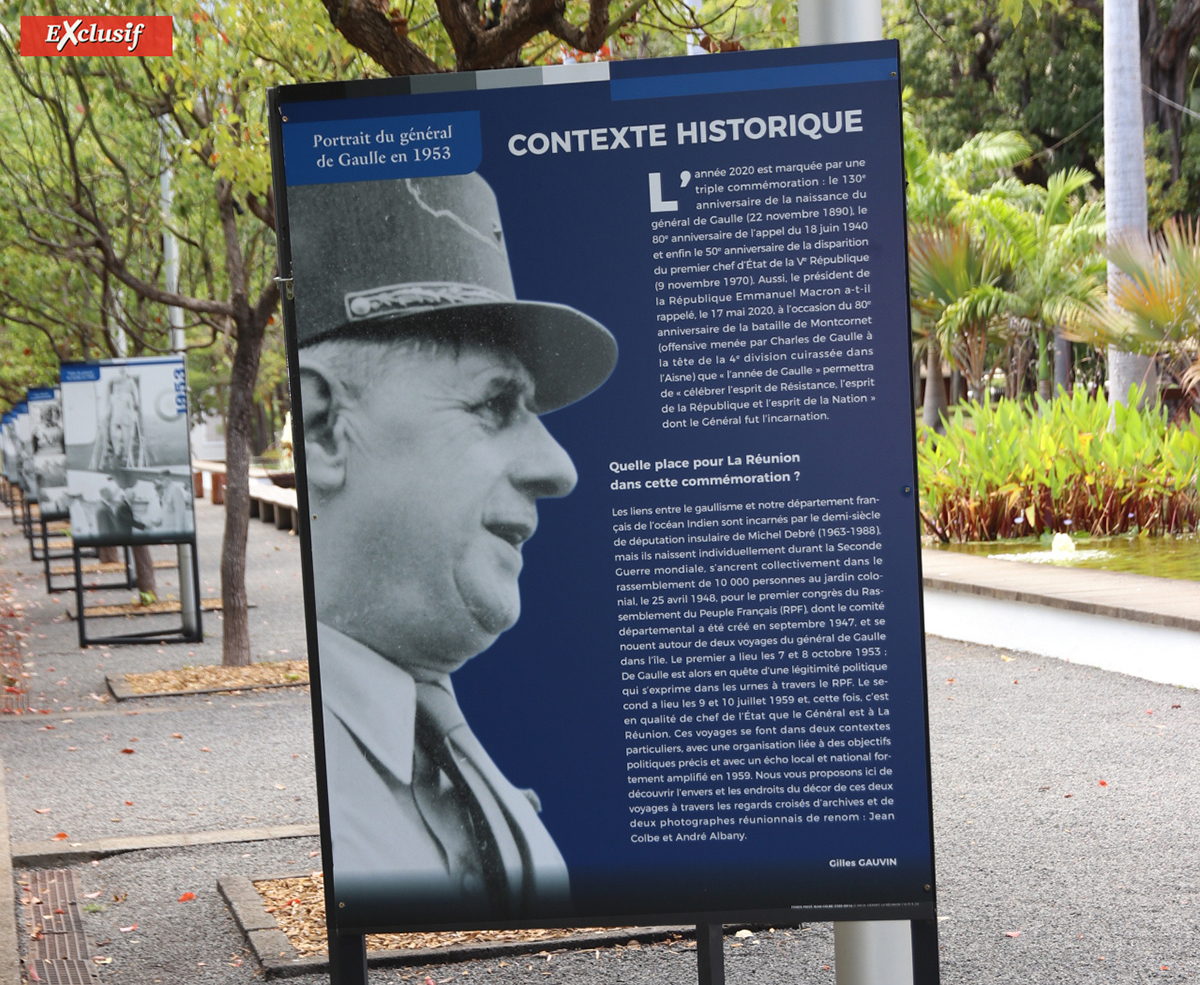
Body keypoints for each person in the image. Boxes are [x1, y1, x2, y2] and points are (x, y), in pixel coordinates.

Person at [290, 173, 617, 923]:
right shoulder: (304, 784)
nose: (559, 468)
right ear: (321, 426)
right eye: (496, 403)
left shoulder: (435, 744)